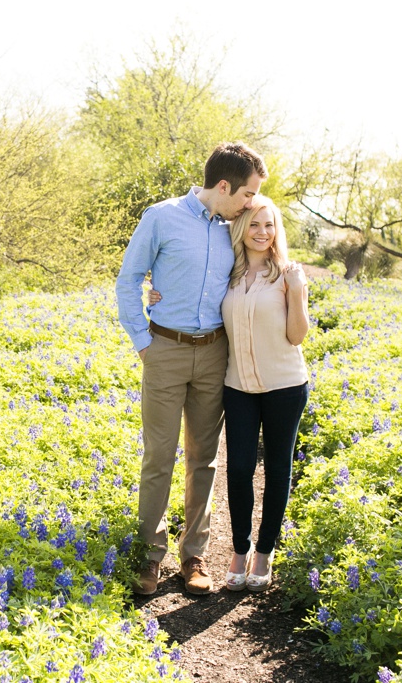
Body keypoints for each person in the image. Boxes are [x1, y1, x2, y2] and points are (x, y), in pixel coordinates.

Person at [115, 142, 268, 596]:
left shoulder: (235, 226)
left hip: (215, 352)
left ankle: (194, 555)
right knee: (158, 456)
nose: (251, 203)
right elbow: (128, 280)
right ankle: (148, 555)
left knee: (204, 458)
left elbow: (260, 262)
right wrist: (145, 343)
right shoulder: (160, 217)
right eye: (247, 193)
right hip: (165, 349)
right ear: (224, 186)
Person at [149, 195, 309, 592]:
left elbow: (297, 336)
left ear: (277, 230)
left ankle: (263, 553)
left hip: (285, 385)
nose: (261, 232)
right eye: (254, 224)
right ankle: (239, 550)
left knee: (277, 471)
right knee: (238, 470)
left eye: (269, 225)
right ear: (241, 228)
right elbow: (191, 285)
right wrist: (153, 292)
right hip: (237, 385)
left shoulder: (287, 273)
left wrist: (298, 293)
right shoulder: (229, 273)